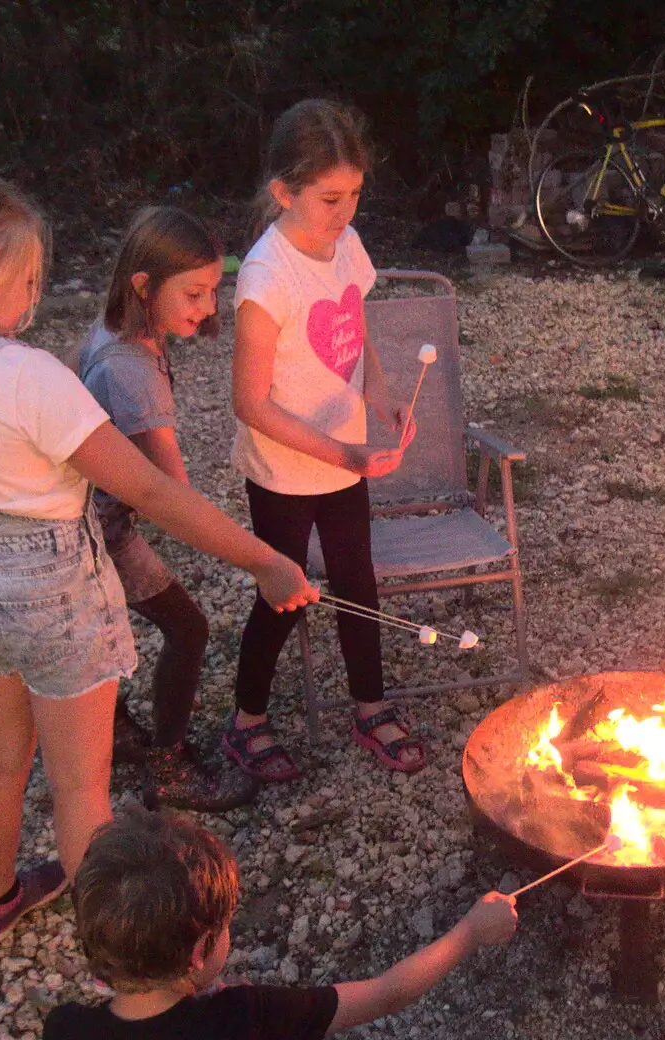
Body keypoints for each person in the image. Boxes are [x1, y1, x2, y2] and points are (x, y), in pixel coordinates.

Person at [0, 172, 315, 945]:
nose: (31, 303)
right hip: (53, 595)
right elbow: (155, 494)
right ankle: (114, 950)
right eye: (27, 283)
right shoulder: (26, 377)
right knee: (79, 785)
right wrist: (265, 561)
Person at [34, 809, 518, 1040]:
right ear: (201, 952)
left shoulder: (65, 1032)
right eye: (226, 927)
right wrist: (470, 932)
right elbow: (389, 993)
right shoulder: (249, 1022)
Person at [225, 98, 425, 781]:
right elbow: (248, 402)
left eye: (355, 197)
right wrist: (343, 453)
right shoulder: (264, 276)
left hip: (343, 457)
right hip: (285, 468)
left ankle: (368, 706)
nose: (345, 213)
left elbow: (353, 323)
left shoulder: (345, 244)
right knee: (283, 592)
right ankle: (246, 719)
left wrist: (382, 394)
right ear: (284, 192)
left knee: (357, 584)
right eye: (330, 198)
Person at [77, 206, 228, 810]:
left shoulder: (117, 329)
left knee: (100, 637)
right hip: (91, 533)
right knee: (188, 628)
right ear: (144, 286)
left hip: (95, 518)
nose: (209, 308)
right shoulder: (130, 368)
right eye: (194, 293)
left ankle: (114, 731)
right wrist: (258, 557)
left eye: (213, 291)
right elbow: (172, 493)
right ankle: (167, 765)